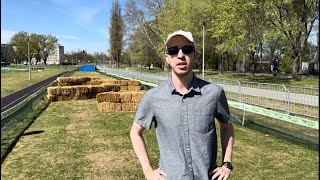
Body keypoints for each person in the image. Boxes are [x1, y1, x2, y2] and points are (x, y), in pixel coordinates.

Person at [130, 30, 234, 180]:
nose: (180, 55)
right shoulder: (153, 97)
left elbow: (227, 126)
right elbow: (135, 133)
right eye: (173, 51)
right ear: (167, 58)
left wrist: (227, 163)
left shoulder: (214, 93)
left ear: (195, 55)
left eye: (187, 49)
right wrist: (147, 170)